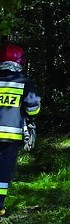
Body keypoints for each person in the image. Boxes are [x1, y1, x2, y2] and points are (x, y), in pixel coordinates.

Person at [0, 43, 41, 217]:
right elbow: (33, 108)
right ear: (20, 61)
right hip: (10, 137)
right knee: (3, 172)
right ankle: (0, 206)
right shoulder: (25, 82)